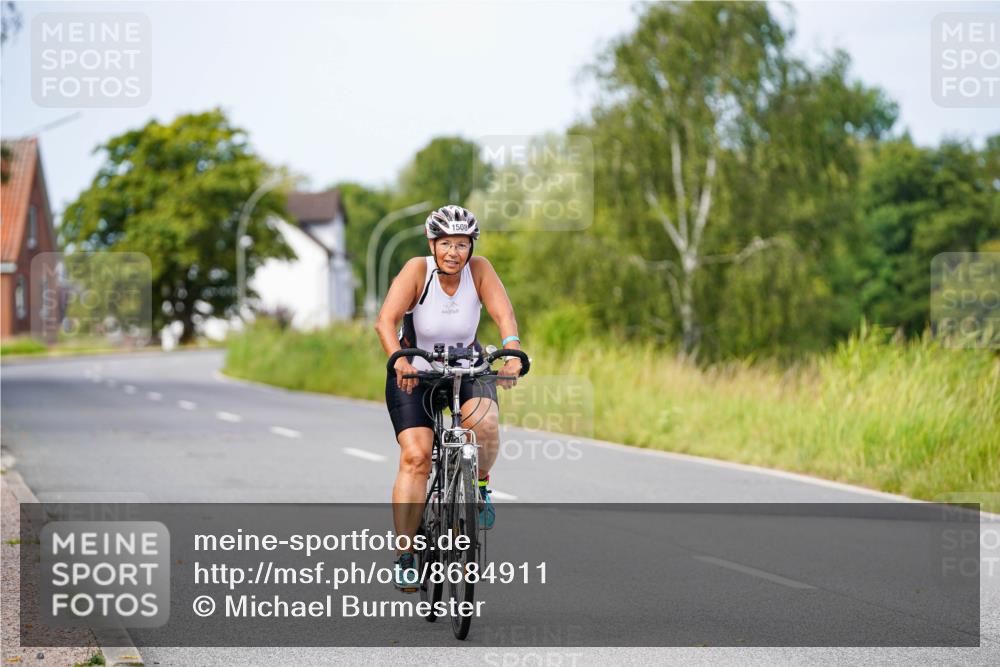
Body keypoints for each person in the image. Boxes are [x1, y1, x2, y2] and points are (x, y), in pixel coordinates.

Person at [374, 204, 523, 592]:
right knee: (417, 456)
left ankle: (480, 485)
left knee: (485, 425)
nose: (454, 252)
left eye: (462, 244)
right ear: (432, 243)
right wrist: (399, 360)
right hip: (416, 372)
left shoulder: (480, 270)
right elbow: (385, 320)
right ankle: (406, 555)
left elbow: (504, 317)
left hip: (467, 368)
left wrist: (510, 352)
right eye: (446, 244)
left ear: (471, 246)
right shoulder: (416, 271)